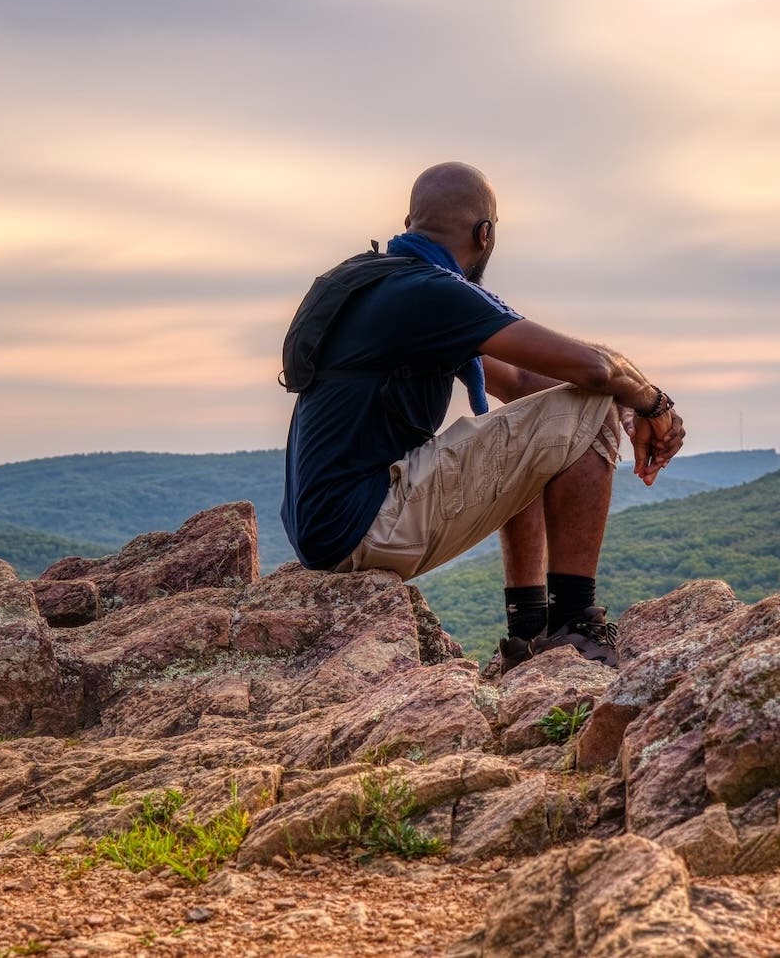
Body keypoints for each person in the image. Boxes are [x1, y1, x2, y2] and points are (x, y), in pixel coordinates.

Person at [280, 162, 686, 669]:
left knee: (552, 411)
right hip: (364, 524)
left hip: (329, 530)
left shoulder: (383, 285)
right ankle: (574, 625)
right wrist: (650, 403)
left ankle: (529, 632)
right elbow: (596, 371)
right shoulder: (431, 292)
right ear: (485, 234)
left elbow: (520, 382)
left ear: (410, 221)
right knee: (589, 403)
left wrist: (623, 397)